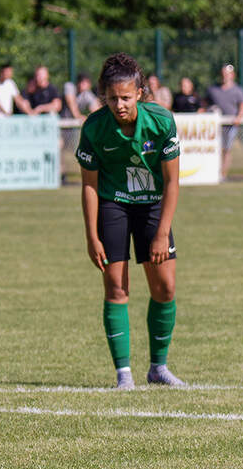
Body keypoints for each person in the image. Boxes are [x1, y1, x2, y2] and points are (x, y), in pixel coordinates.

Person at [76, 52, 183, 390]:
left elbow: (172, 183)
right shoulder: (94, 128)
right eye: (112, 98)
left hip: (152, 207)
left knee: (165, 288)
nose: (119, 104)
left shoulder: (161, 122)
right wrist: (92, 236)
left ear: (139, 93)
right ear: (103, 97)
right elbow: (90, 186)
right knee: (117, 287)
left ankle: (158, 367)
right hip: (114, 206)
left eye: (125, 97)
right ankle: (124, 374)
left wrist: (162, 232)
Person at [206, 64, 243, 181]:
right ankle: (213, 173)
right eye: (223, 73)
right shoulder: (213, 89)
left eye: (228, 73)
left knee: (226, 149)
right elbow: (204, 104)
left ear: (232, 75)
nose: (225, 76)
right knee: (215, 149)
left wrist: (239, 118)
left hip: (230, 125)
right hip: (214, 126)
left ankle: (222, 175)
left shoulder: (238, 90)